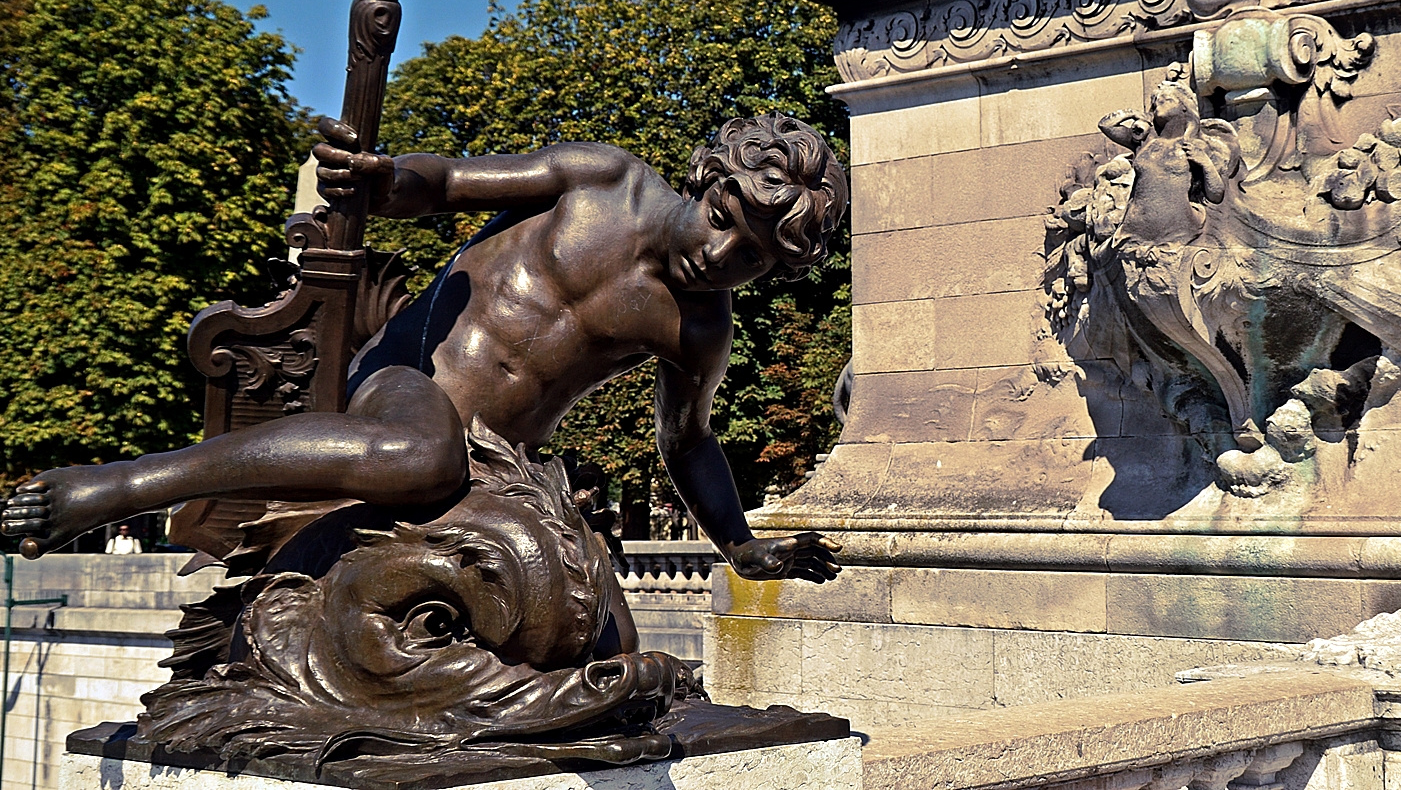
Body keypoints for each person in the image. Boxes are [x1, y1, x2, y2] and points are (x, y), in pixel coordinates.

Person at [3, 114, 847, 594]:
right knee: (424, 450)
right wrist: (381, 178)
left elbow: (688, 441)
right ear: (709, 180)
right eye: (726, 217)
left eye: (757, 258)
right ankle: (111, 486)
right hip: (405, 381)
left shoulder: (700, 330)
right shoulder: (602, 181)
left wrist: (740, 546)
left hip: (488, 468)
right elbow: (443, 185)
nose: (723, 254)